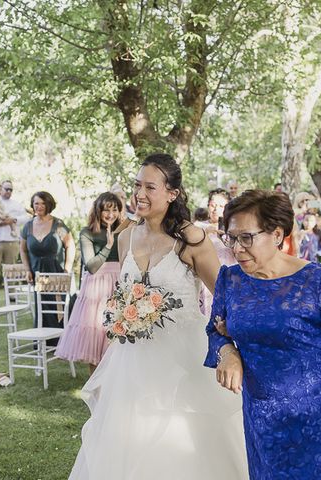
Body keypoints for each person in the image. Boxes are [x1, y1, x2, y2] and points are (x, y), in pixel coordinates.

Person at [68, 153, 247, 480]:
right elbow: (124, 292)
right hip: (132, 362)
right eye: (137, 185)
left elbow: (224, 297)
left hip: (182, 363)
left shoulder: (191, 238)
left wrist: (231, 348)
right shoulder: (125, 237)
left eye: (150, 187)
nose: (140, 194)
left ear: (172, 193)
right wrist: (121, 314)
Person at [205, 189, 321, 480]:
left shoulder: (319, 281)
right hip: (261, 419)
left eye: (246, 238)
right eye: (231, 238)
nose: (237, 249)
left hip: (316, 420)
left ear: (277, 235)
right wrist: (228, 352)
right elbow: (214, 330)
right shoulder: (230, 281)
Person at [55, 192, 125, 373]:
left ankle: (114, 389)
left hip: (118, 286)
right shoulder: (87, 233)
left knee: (117, 340)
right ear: (98, 210)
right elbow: (92, 266)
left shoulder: (124, 231)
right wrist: (108, 245)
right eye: (106, 210)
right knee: (96, 338)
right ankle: (95, 393)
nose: (111, 214)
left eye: (115, 210)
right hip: (97, 287)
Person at [20, 191, 75, 346]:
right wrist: (27, 270)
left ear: (49, 204)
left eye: (43, 203)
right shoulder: (28, 227)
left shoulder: (58, 224)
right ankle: (45, 340)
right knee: (41, 305)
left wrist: (67, 269)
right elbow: (23, 249)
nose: (39, 206)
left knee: (59, 306)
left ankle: (64, 341)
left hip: (56, 271)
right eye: (36, 203)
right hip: (37, 272)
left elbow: (70, 245)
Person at [195, 188, 236, 317]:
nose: (215, 209)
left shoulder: (233, 227)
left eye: (220, 206)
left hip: (229, 277)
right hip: (205, 279)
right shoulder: (197, 226)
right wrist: (206, 233)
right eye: (212, 205)